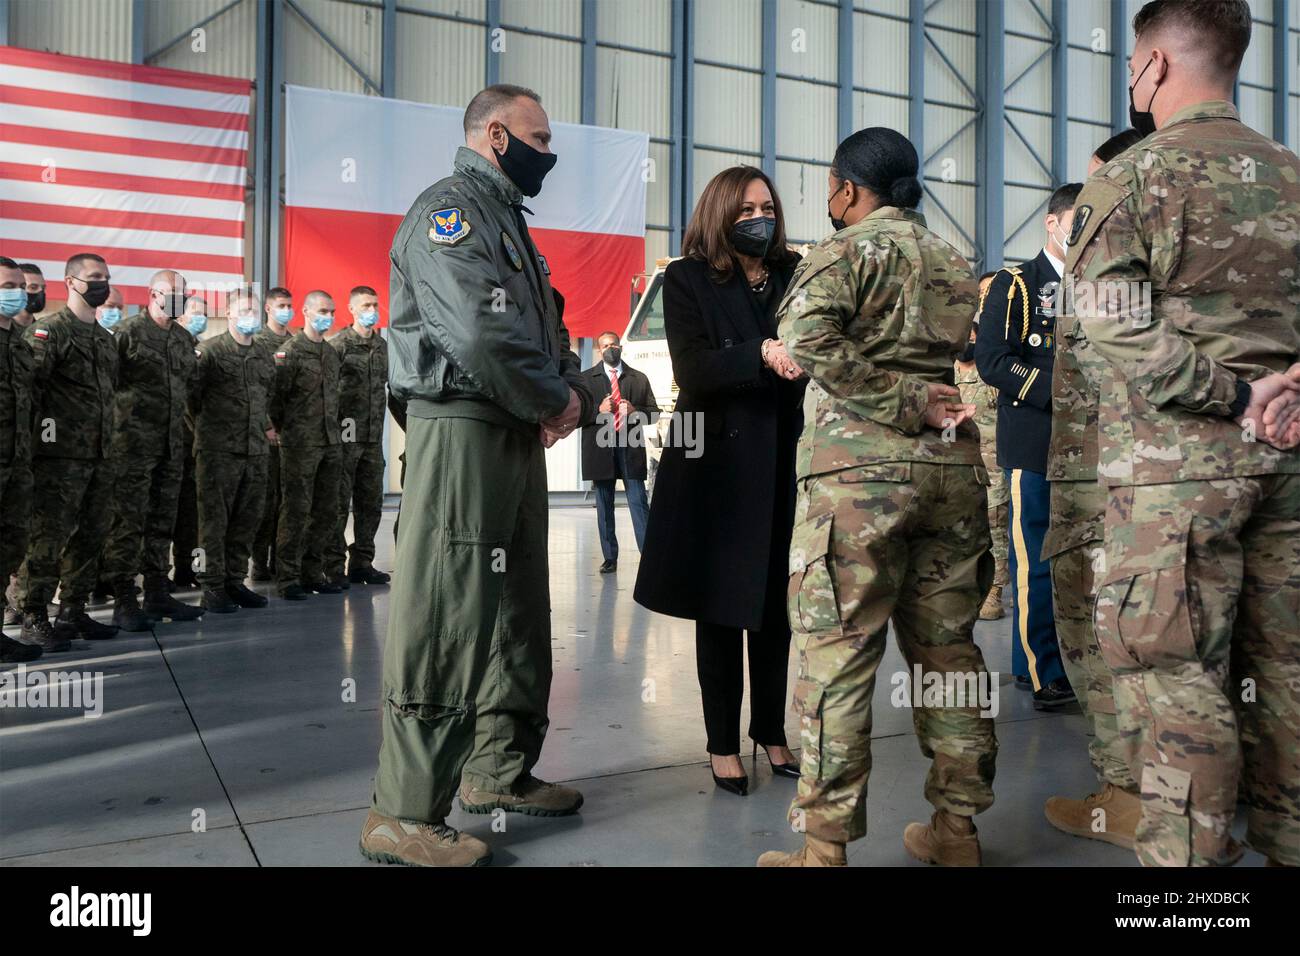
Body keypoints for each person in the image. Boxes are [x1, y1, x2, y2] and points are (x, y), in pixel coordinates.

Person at [1063, 0, 1300, 867]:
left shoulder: (1134, 177)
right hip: (1290, 465)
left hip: (1176, 480)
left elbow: (1112, 321)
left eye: (1132, 62)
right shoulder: (1292, 174)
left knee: (1174, 681)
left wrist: (1233, 396)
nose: (1131, 77)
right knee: (1289, 672)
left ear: (1155, 65)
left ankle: (1190, 895)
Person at [360, 83, 594, 867]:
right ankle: (402, 812)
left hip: (512, 429)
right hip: (462, 427)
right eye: (538, 136)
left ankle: (497, 771)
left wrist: (558, 393)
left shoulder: (509, 225)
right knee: (449, 612)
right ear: (496, 135)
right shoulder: (449, 214)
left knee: (517, 609)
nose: (547, 152)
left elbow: (545, 327)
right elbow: (479, 335)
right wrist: (557, 397)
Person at [757, 127, 996, 868]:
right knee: (948, 656)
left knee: (838, 657)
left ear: (849, 190)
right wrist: (921, 399)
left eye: (833, 186)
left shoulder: (847, 251)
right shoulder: (955, 260)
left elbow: (806, 339)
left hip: (858, 484)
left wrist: (895, 400)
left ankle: (824, 850)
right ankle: (957, 833)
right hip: (950, 479)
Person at [634, 166, 804, 796]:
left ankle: (771, 729)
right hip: (714, 465)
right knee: (722, 607)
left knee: (774, 609)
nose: (759, 217)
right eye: (745, 209)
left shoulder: (794, 272)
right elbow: (694, 368)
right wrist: (760, 353)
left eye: (767, 206)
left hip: (784, 456)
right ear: (720, 213)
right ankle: (721, 742)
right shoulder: (685, 278)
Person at [1040, 130, 1149, 850]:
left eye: (1095, 183)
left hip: (1100, 480)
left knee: (1096, 636)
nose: (1084, 202)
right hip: (1158, 482)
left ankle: (1128, 795)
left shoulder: (1117, 255)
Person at [974, 183, 1082, 710]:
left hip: (1090, 447)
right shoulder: (1017, 284)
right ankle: (1041, 671)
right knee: (1033, 561)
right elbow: (993, 360)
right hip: (1034, 441)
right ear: (1052, 222)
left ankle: (1067, 662)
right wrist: (1058, 393)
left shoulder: (1102, 287)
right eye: (1075, 220)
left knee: (1079, 563)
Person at [17, 254, 121, 650]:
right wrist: (40, 444)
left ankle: (73, 609)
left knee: (91, 535)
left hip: (100, 455)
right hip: (58, 457)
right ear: (71, 282)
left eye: (106, 278)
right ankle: (33, 614)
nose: (102, 284)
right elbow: (32, 393)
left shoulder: (106, 340)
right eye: (95, 277)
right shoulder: (50, 333)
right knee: (48, 536)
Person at [100, 270, 204, 631]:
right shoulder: (128, 334)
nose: (178, 298)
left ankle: (158, 590)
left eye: (183, 294)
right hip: (131, 447)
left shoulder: (182, 339)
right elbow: (106, 386)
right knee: (127, 523)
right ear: (152, 293)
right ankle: (125, 598)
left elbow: (190, 389)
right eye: (171, 292)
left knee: (163, 521)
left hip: (171, 447)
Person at [190, 293, 276, 613]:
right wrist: (204, 435)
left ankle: (235, 581)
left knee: (246, 519)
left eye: (254, 310)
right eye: (244, 310)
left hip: (254, 450)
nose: (250, 315)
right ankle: (211, 586)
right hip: (218, 451)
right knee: (213, 522)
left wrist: (264, 428)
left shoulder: (264, 355)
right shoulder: (210, 352)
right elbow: (191, 400)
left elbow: (266, 397)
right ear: (228, 313)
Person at [269, 290, 343, 600]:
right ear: (307, 312)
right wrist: (284, 431)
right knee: (296, 510)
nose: (327, 316)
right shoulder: (290, 352)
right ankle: (288, 576)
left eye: (331, 311)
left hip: (330, 442)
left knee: (325, 511)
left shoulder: (331, 352)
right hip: (300, 443)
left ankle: (314, 571)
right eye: (322, 310)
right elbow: (276, 399)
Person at [324, 286, 391, 589]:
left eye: (375, 304)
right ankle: (333, 566)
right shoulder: (338, 345)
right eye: (365, 305)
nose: (371, 309)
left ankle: (363, 563)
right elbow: (324, 395)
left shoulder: (383, 347)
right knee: (337, 505)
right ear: (351, 309)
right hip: (343, 440)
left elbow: (396, 391)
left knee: (371, 503)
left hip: (373, 440)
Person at [956, 272, 1009, 620]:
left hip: (992, 466)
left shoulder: (990, 372)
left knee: (996, 530)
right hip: (960, 465)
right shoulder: (948, 373)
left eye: (972, 335)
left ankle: (995, 591)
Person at [580, 330, 655, 574]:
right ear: (599, 350)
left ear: (620, 347)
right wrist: (597, 410)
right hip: (601, 448)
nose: (609, 348)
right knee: (604, 503)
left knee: (638, 501)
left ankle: (648, 556)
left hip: (630, 446)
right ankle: (610, 558)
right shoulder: (586, 380)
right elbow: (577, 416)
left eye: (613, 344)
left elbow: (653, 413)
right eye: (604, 346)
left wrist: (635, 412)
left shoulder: (638, 378)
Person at [0, 256, 41, 663]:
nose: (17, 292)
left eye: (18, 285)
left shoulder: (20, 344)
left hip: (17, 464)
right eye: (8, 285)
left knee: (10, 546)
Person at [251, 287, 294, 581]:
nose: (286, 310)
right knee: (265, 502)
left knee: (288, 501)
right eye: (281, 305)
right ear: (268, 308)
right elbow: (255, 390)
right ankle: (259, 562)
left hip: (294, 434)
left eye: (290, 305)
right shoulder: (258, 342)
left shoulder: (297, 343)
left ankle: (283, 560)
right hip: (265, 434)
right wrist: (266, 425)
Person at [170, 296, 208, 592]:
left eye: (204, 313)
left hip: (196, 447)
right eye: (195, 313)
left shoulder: (202, 351)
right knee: (161, 517)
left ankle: (190, 570)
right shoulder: (168, 345)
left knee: (193, 518)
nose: (201, 317)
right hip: (168, 445)